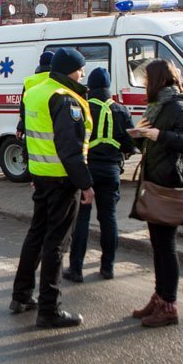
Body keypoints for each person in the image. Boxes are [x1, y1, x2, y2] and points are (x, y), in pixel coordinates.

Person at [10, 48, 94, 328]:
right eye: (80, 68)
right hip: (61, 178)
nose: (83, 73)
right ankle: (50, 309)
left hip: (42, 175)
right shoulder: (64, 98)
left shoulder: (36, 91)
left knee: (36, 236)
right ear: (70, 69)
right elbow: (69, 149)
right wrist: (85, 184)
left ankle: (21, 295)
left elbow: (32, 137)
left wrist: (34, 170)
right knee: (56, 244)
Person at [129, 59, 183, 328]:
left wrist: (158, 135)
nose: (144, 84)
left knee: (166, 248)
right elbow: (151, 141)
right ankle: (159, 297)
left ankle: (168, 305)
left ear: (158, 80)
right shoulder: (158, 106)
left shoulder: (175, 105)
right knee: (158, 247)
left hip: (169, 184)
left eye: (147, 80)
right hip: (156, 181)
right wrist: (140, 134)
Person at [63, 67, 137, 282]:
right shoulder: (121, 111)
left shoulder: (82, 107)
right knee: (109, 218)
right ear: (107, 87)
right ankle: (108, 268)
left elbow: (74, 141)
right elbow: (130, 145)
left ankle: (76, 269)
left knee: (82, 220)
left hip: (87, 171)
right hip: (112, 170)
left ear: (91, 87)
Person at [15, 51, 53, 139]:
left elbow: (23, 107)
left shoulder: (29, 82)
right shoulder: (56, 79)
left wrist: (20, 127)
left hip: (31, 127)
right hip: (50, 127)